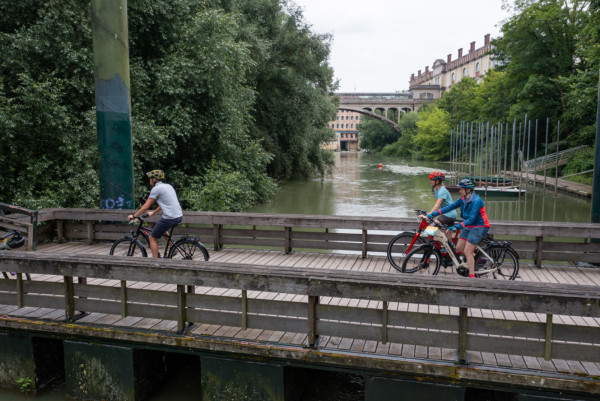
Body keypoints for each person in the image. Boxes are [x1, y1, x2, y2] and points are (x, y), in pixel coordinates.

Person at [427, 179, 490, 278]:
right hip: (468, 226)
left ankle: (472, 277)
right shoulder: (462, 199)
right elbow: (448, 207)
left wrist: (456, 227)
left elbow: (471, 219)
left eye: (461, 189)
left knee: (467, 252)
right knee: (459, 248)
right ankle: (479, 260)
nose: (459, 191)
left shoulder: (476, 201)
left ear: (468, 190)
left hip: (479, 226)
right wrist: (432, 214)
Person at [128, 170, 183, 258]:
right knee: (161, 228)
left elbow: (145, 207)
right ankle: (173, 247)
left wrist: (134, 216)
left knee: (152, 238)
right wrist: (153, 212)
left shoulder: (156, 189)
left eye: (150, 179)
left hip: (170, 217)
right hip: (178, 216)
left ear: (154, 179)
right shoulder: (168, 186)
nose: (149, 181)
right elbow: (164, 204)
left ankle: (155, 261)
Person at [426, 171, 456, 243]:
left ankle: (433, 245)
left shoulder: (442, 190)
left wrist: (429, 214)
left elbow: (437, 206)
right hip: (446, 213)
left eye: (432, 180)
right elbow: (440, 206)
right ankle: (449, 249)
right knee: (447, 237)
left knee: (432, 226)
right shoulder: (435, 189)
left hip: (449, 214)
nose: (430, 181)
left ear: (438, 181)